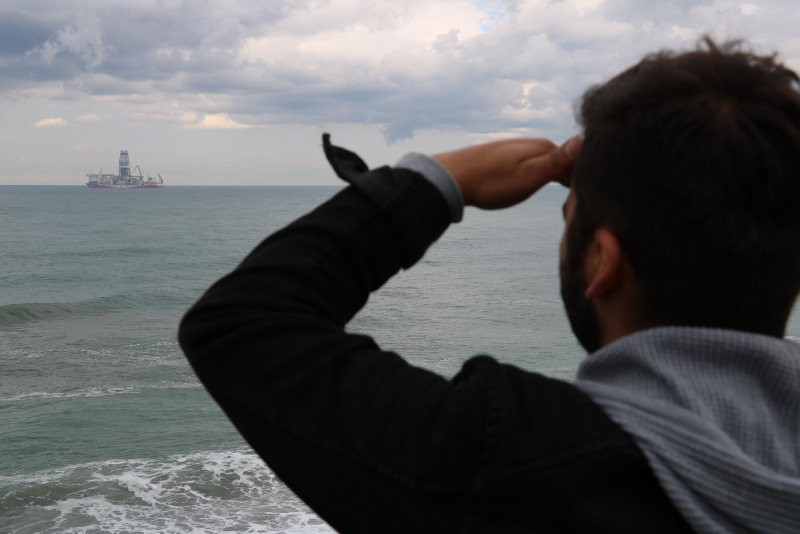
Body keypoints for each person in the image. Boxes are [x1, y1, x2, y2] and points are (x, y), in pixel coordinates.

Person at [179, 39, 800, 533]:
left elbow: (241, 325)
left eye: (569, 220)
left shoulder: (513, 463)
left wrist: (441, 181)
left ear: (601, 263)